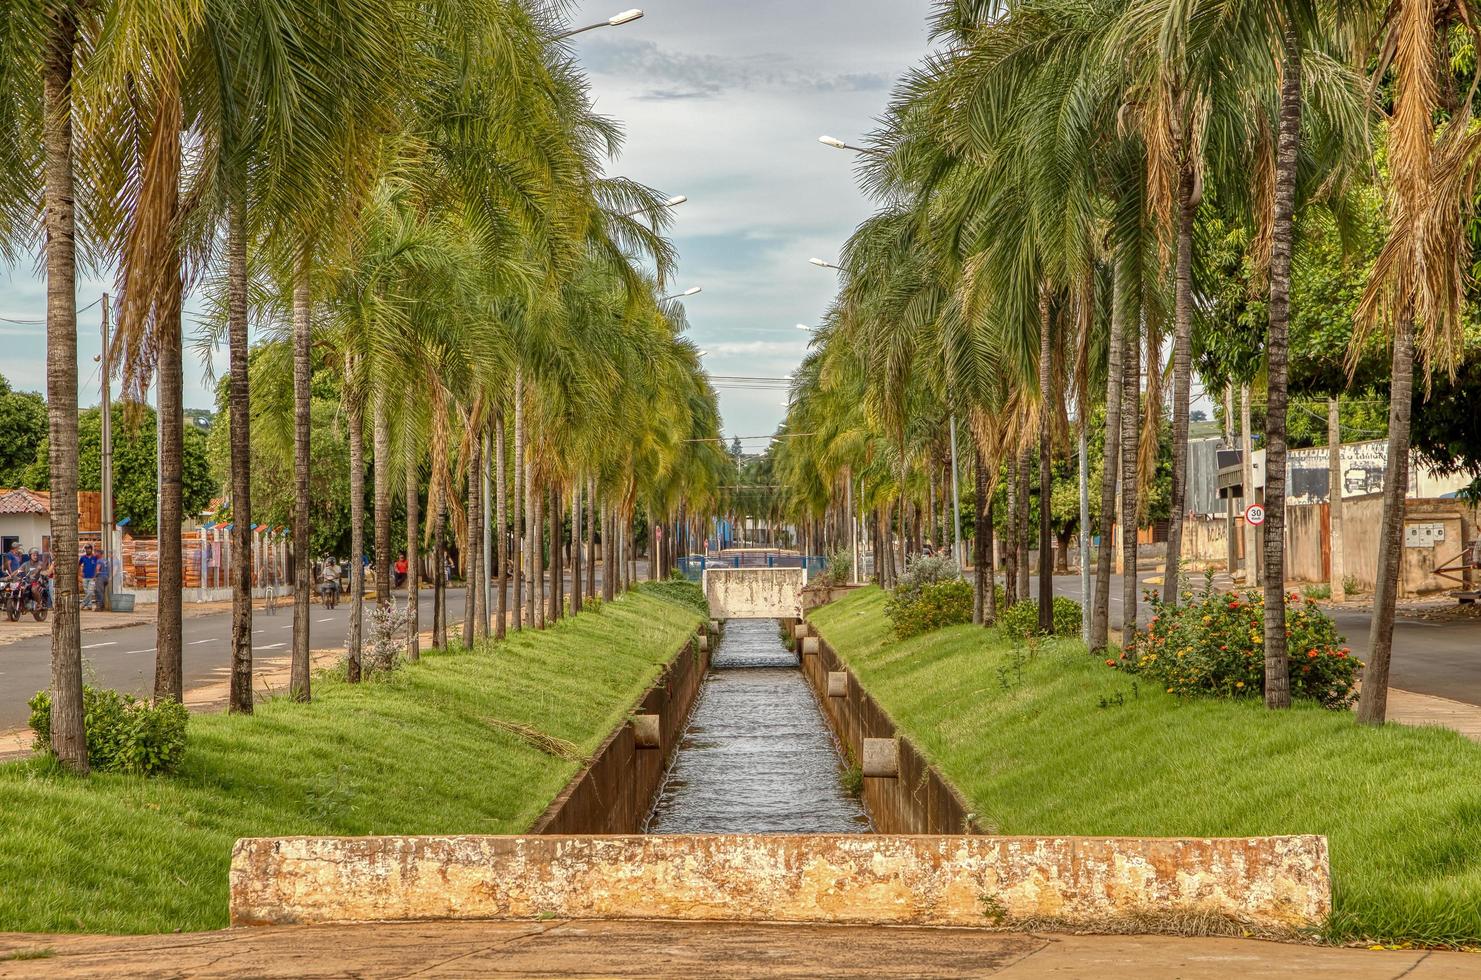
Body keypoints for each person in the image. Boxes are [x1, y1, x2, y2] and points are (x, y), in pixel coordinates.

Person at [79, 544, 100, 610]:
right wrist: (80, 573)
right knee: (87, 592)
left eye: (89, 549)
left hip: (92, 578)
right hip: (85, 577)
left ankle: (82, 604)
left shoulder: (95, 557)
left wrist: (96, 575)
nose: (87, 550)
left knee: (90, 592)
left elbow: (98, 566)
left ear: (91, 549)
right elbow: (78, 565)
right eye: (86, 549)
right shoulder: (83, 557)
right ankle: (89, 605)